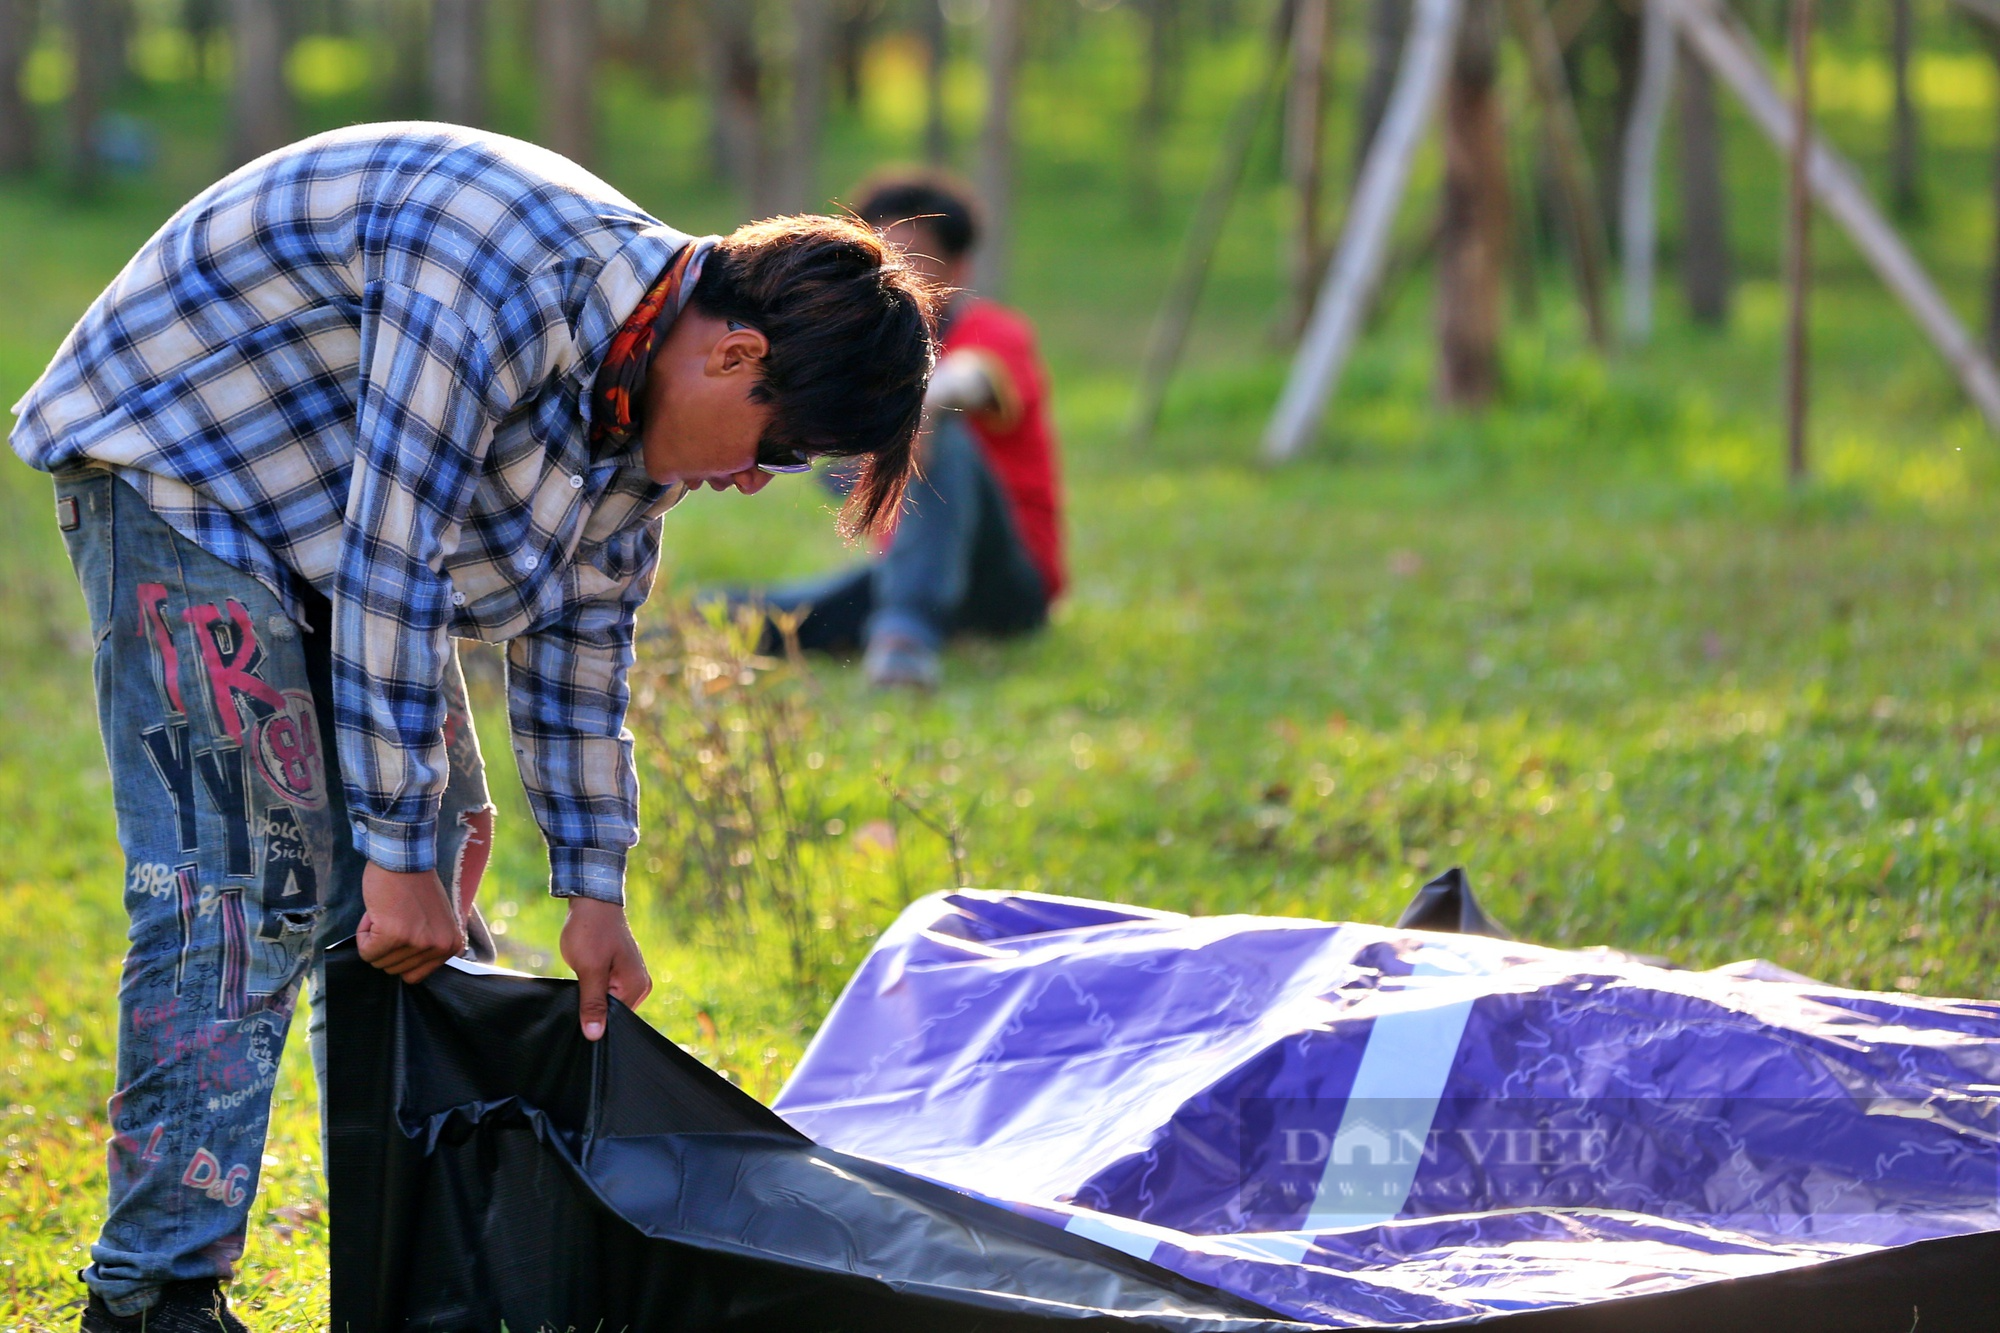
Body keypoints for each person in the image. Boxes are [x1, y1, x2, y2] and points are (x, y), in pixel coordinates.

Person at [9, 123, 934, 1333]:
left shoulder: (638, 389)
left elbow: (581, 642)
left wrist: (591, 894)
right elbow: (395, 562)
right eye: (780, 447)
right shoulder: (500, 272)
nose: (756, 479)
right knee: (249, 883)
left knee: (429, 877)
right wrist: (387, 850)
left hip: (320, 504)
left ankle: (421, 1273)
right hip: (184, 462)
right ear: (734, 354)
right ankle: (155, 1296)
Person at [751, 171, 1065, 688]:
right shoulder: (876, 355)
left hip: (1006, 585)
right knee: (766, 614)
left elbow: (972, 378)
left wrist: (926, 403)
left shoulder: (992, 331)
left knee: (947, 428)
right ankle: (667, 630)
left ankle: (905, 639)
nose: (892, 276)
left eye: (911, 259)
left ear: (958, 267)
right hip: (912, 572)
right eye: (876, 259)